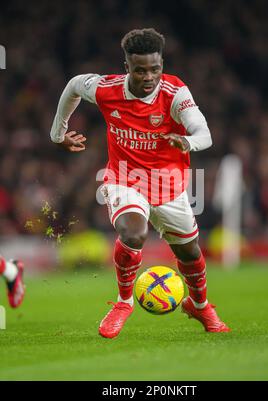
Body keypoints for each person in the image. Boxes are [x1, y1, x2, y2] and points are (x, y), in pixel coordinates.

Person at [50, 28, 230, 338]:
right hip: (125, 179)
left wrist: (187, 141)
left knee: (189, 253)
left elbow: (205, 134)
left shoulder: (175, 94)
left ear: (162, 64)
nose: (149, 76)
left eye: (155, 69)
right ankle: (123, 303)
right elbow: (74, 85)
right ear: (127, 68)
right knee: (133, 233)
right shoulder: (108, 89)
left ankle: (199, 305)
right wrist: (58, 133)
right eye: (140, 70)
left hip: (169, 185)